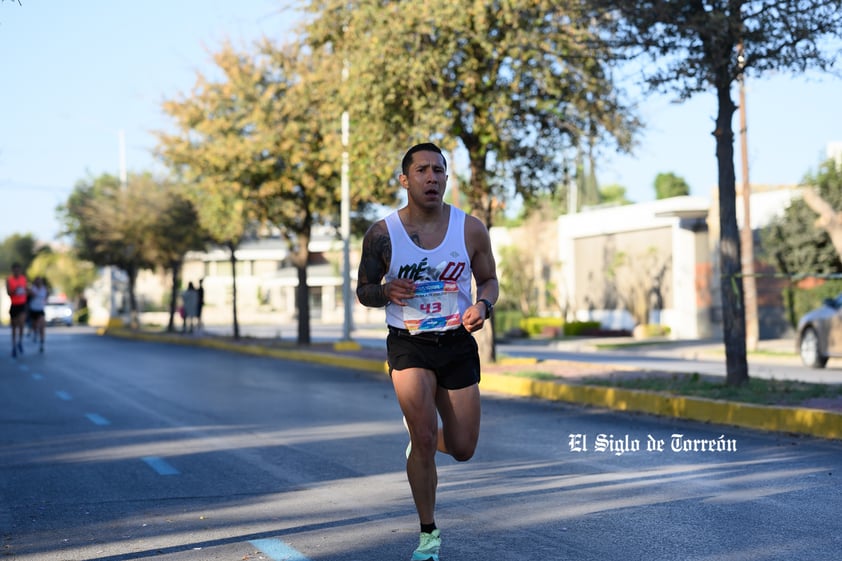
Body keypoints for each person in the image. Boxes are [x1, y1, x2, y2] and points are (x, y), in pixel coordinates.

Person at [356, 142, 498, 561]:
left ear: (446, 179)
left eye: (439, 170)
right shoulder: (382, 234)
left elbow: (489, 279)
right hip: (408, 342)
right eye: (422, 170)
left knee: (463, 448)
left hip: (456, 342)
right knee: (422, 436)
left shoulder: (470, 229)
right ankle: (428, 535)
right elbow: (364, 291)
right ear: (405, 180)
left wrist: (483, 305)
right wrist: (384, 291)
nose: (432, 177)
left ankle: (425, 440)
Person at [6, 262, 29, 358]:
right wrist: (15, 291)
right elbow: (8, 292)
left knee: (21, 324)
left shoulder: (23, 279)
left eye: (18, 269)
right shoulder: (9, 280)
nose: (16, 271)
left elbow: (26, 290)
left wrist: (25, 291)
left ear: (20, 270)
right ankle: (14, 346)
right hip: (14, 305)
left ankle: (20, 341)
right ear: (12, 270)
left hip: (22, 304)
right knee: (14, 327)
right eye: (15, 269)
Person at [27, 276, 48, 353]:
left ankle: (42, 343)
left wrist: (45, 301)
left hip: (40, 309)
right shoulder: (32, 288)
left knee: (42, 326)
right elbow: (29, 296)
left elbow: (46, 297)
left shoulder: (44, 289)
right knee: (35, 325)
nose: (39, 282)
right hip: (33, 310)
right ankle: (34, 332)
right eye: (37, 281)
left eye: (40, 281)